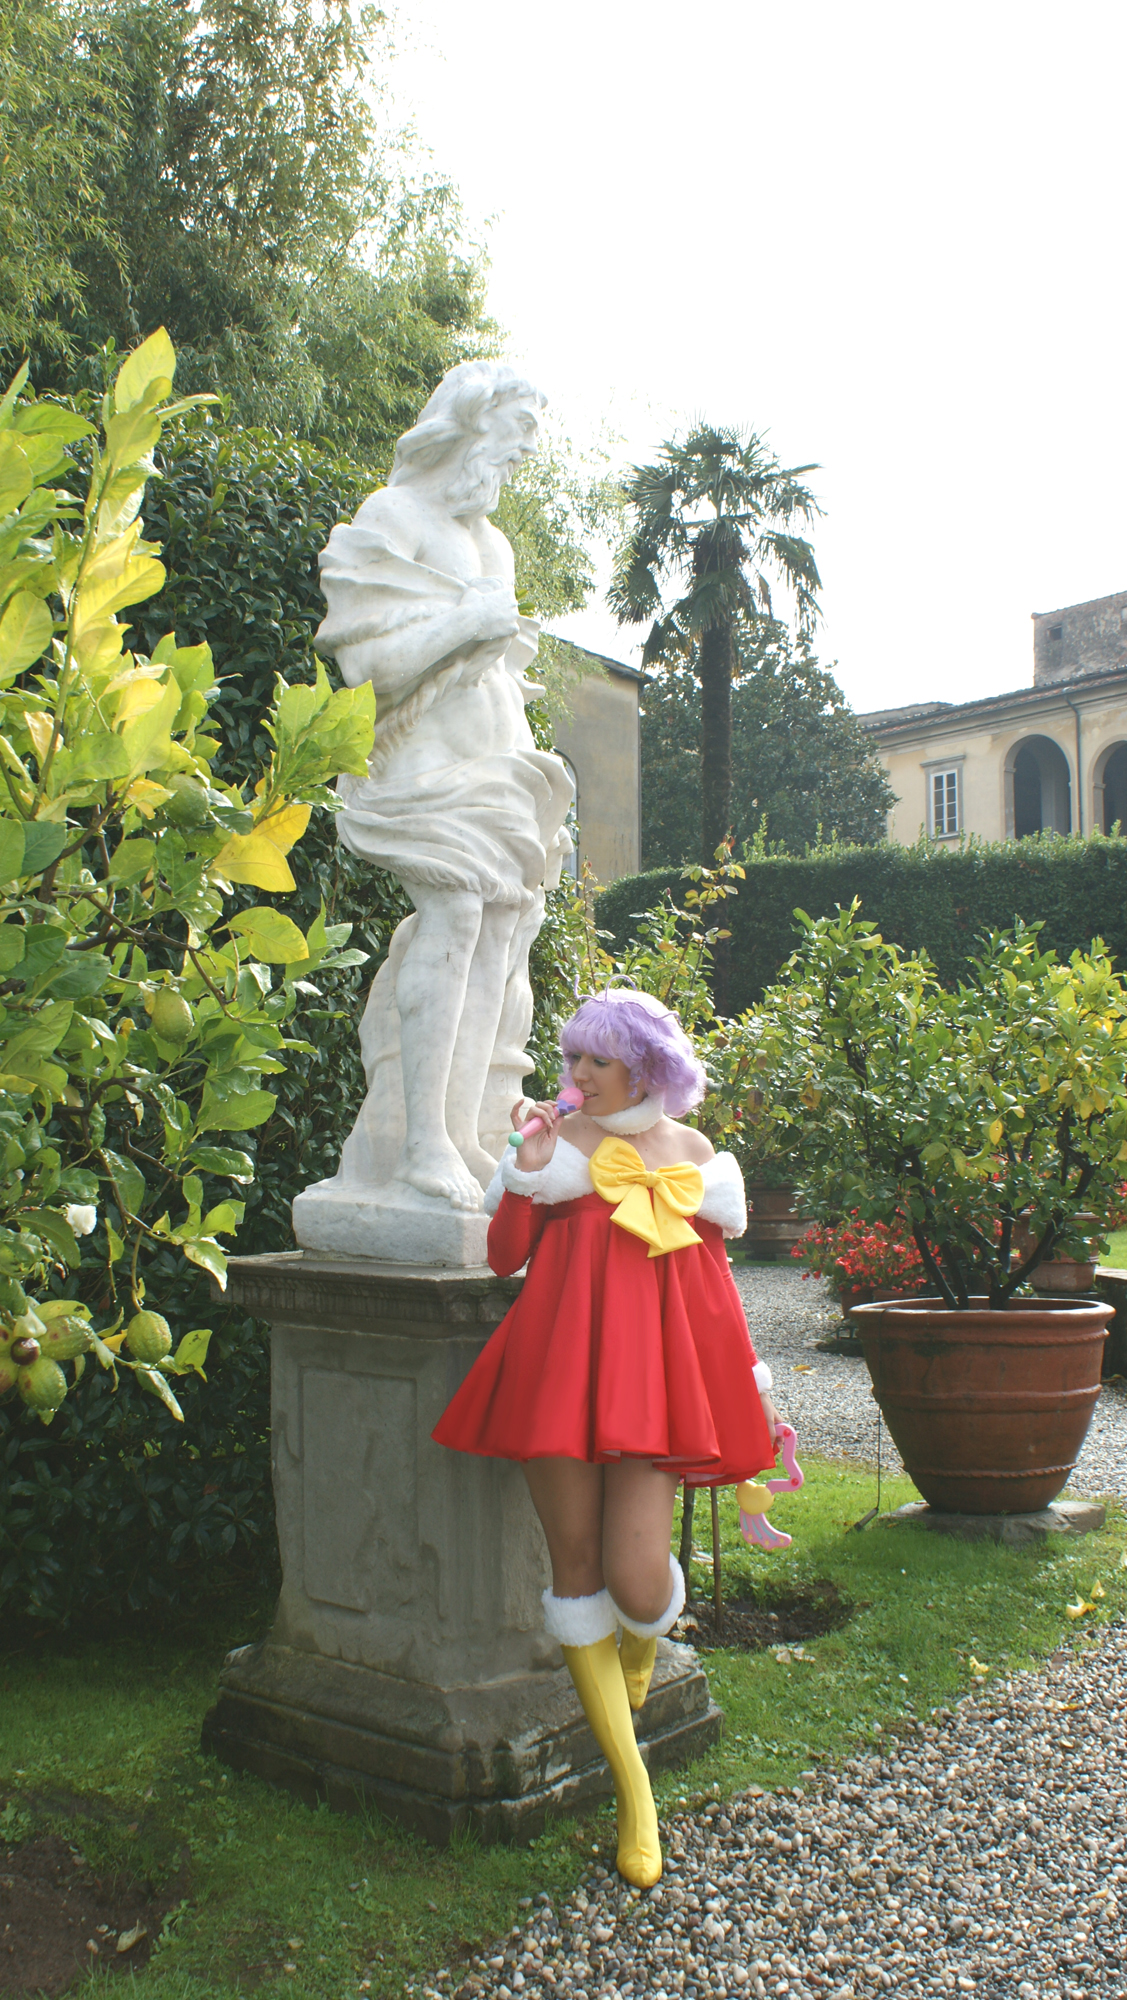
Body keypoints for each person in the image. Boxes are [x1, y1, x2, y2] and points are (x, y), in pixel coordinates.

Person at [432, 989, 781, 1888]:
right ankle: (635, 1795)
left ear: (646, 1067)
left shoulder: (695, 1157)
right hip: (557, 1376)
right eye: (572, 1057)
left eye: (597, 1059)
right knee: (578, 1576)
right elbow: (503, 1256)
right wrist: (525, 1170)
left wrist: (750, 1391)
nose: (577, 1074)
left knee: (638, 1581)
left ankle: (640, 1649)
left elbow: (714, 1293)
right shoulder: (554, 1142)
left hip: (650, 1392)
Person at [308, 360, 573, 1228]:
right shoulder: (393, 517)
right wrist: (467, 622)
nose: (519, 457)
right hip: (422, 775)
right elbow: (366, 669)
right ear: (467, 422)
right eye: (514, 435)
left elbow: (499, 670)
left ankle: (459, 1132)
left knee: (500, 933)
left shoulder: (492, 543)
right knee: (454, 915)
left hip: (501, 771)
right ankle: (418, 1142)